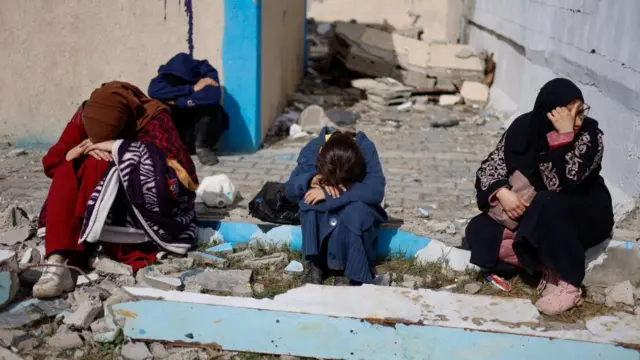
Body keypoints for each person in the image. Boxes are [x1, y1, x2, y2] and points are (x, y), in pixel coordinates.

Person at [34, 81, 198, 298]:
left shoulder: (153, 118)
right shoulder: (85, 116)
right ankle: (58, 260)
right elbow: (52, 161)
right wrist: (74, 152)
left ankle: (97, 247)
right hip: (89, 197)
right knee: (69, 168)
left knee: (102, 164)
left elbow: (183, 177)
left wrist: (120, 148)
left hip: (134, 208)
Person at [465, 78, 613, 315]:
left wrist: (563, 138)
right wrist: (503, 193)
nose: (576, 121)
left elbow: (563, 184)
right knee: (479, 230)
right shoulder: (524, 128)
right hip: (535, 212)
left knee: (548, 202)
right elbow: (490, 168)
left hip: (582, 213)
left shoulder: (589, 136)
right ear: (547, 113)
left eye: (580, 113)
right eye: (568, 114)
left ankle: (569, 283)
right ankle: (545, 266)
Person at [285, 127, 387, 286]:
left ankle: (350, 272)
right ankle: (316, 265)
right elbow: (290, 189)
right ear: (320, 153)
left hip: (352, 205)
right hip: (325, 210)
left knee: (356, 212)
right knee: (309, 201)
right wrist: (309, 179)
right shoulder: (313, 149)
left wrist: (334, 193)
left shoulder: (365, 148)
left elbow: (375, 191)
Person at [148, 53, 229, 166]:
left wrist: (176, 100)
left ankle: (203, 148)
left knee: (212, 110)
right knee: (156, 107)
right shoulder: (168, 73)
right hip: (180, 131)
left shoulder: (206, 72)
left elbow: (212, 97)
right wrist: (191, 88)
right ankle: (170, 147)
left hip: (201, 130)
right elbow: (153, 91)